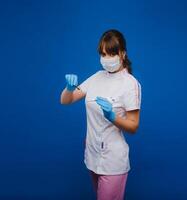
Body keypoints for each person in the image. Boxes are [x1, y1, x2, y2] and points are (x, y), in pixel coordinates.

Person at [60, 29, 141, 200]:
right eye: (103, 54)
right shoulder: (97, 77)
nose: (107, 58)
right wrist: (68, 89)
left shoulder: (130, 84)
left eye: (112, 53)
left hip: (112, 159)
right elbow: (66, 100)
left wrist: (112, 116)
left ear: (123, 54)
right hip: (92, 153)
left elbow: (133, 126)